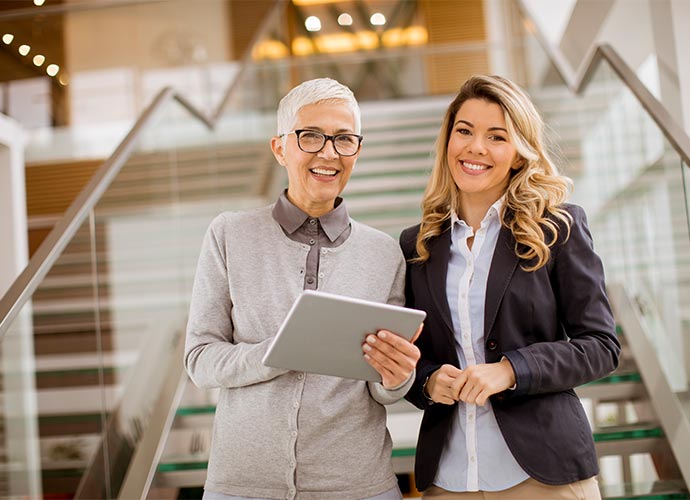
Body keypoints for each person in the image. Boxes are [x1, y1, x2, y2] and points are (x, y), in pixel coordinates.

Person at [184, 77, 421, 500]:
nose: (328, 153)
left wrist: (397, 376)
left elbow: (383, 390)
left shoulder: (384, 253)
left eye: (344, 139)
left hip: (359, 488)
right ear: (280, 148)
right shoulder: (229, 234)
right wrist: (281, 351)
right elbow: (200, 360)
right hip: (242, 487)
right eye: (310, 136)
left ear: (358, 151)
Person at [399, 75, 621, 499]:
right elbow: (411, 357)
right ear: (448, 139)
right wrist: (428, 382)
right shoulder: (418, 244)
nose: (475, 147)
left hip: (544, 476)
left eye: (496, 137)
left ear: (519, 155)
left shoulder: (557, 227)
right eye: (464, 131)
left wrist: (511, 370)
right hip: (449, 478)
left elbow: (601, 345)